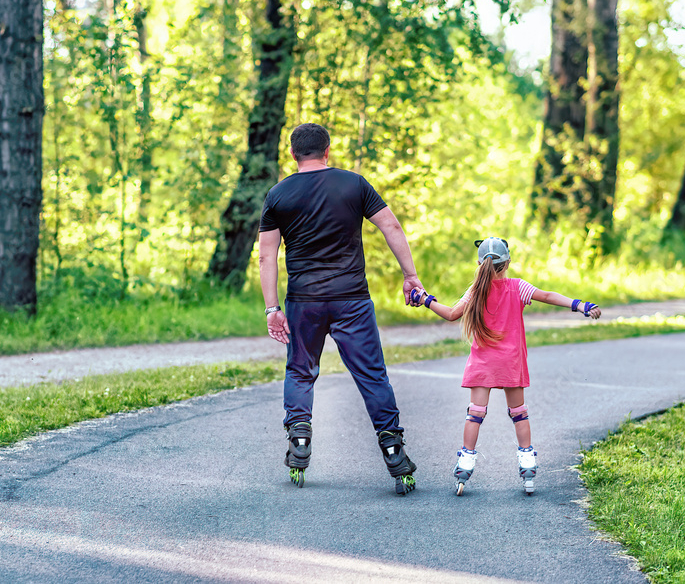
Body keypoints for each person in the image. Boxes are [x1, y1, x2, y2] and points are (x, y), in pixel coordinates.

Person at [258, 122, 424, 495]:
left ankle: (299, 440)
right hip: (352, 300)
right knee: (372, 376)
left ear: (293, 154)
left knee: (300, 372)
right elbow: (391, 226)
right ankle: (394, 452)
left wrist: (272, 309)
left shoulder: (278, 194)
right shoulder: (354, 184)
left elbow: (266, 256)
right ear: (327, 150)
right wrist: (410, 275)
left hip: (304, 302)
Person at [409, 237, 601, 495]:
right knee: (519, 413)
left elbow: (452, 314)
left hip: (483, 364)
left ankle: (465, 462)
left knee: (475, 413)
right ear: (508, 262)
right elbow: (546, 295)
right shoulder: (517, 287)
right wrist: (580, 305)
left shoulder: (476, 290)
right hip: (511, 363)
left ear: (479, 263)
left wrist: (425, 299)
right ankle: (527, 463)